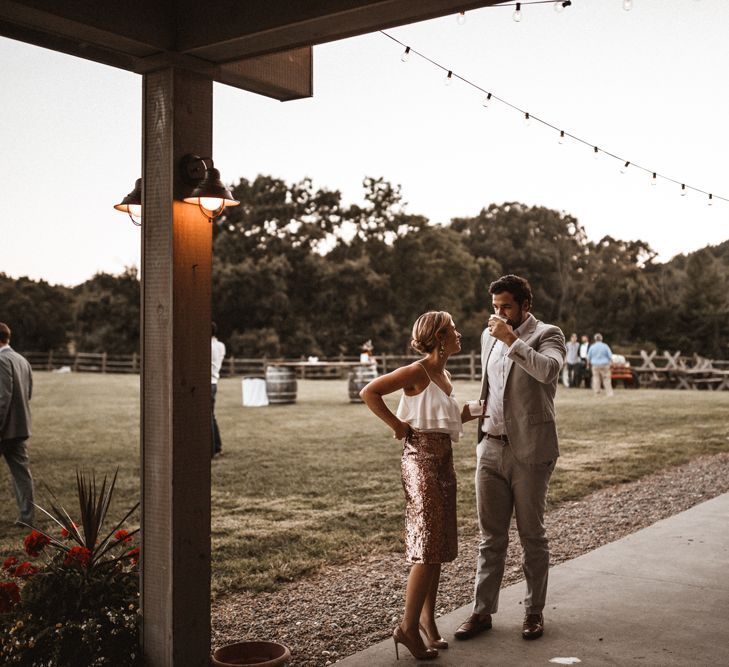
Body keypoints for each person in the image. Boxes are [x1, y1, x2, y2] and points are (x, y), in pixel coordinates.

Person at [455, 274, 566, 643]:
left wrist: (512, 340)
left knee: (532, 535)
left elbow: (548, 371)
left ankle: (534, 612)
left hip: (531, 449)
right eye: (495, 307)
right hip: (490, 445)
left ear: (524, 306)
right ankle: (482, 611)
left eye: (506, 306)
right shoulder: (489, 335)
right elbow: (493, 385)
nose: (499, 313)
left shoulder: (549, 333)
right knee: (490, 537)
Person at [360, 311, 470, 661]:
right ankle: (406, 628)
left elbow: (447, 418)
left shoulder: (444, 374)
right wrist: (396, 425)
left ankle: (426, 620)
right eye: (452, 329)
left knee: (437, 544)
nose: (458, 333)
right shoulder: (417, 371)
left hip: (443, 459)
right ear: (439, 337)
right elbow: (370, 391)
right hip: (420, 460)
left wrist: (485, 408)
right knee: (426, 543)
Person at [0, 322, 35, 527]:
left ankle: (26, 518)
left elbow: (2, 397)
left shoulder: (2, 360)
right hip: (20, 428)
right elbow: (27, 394)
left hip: (4, 429)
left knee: (22, 475)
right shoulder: (22, 360)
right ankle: (27, 518)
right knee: (22, 475)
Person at [211, 323, 226, 458]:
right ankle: (217, 446)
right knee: (211, 416)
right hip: (214, 382)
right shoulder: (221, 346)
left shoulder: (207, 346)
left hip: (207, 383)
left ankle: (213, 449)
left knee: (207, 417)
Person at [586, 333, 613, 397]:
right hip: (605, 365)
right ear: (601, 339)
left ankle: (597, 393)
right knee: (606, 378)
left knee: (596, 379)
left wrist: (587, 365)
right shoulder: (605, 346)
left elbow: (588, 357)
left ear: (595, 339)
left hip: (595, 365)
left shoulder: (592, 347)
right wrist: (611, 363)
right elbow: (610, 356)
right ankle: (609, 393)